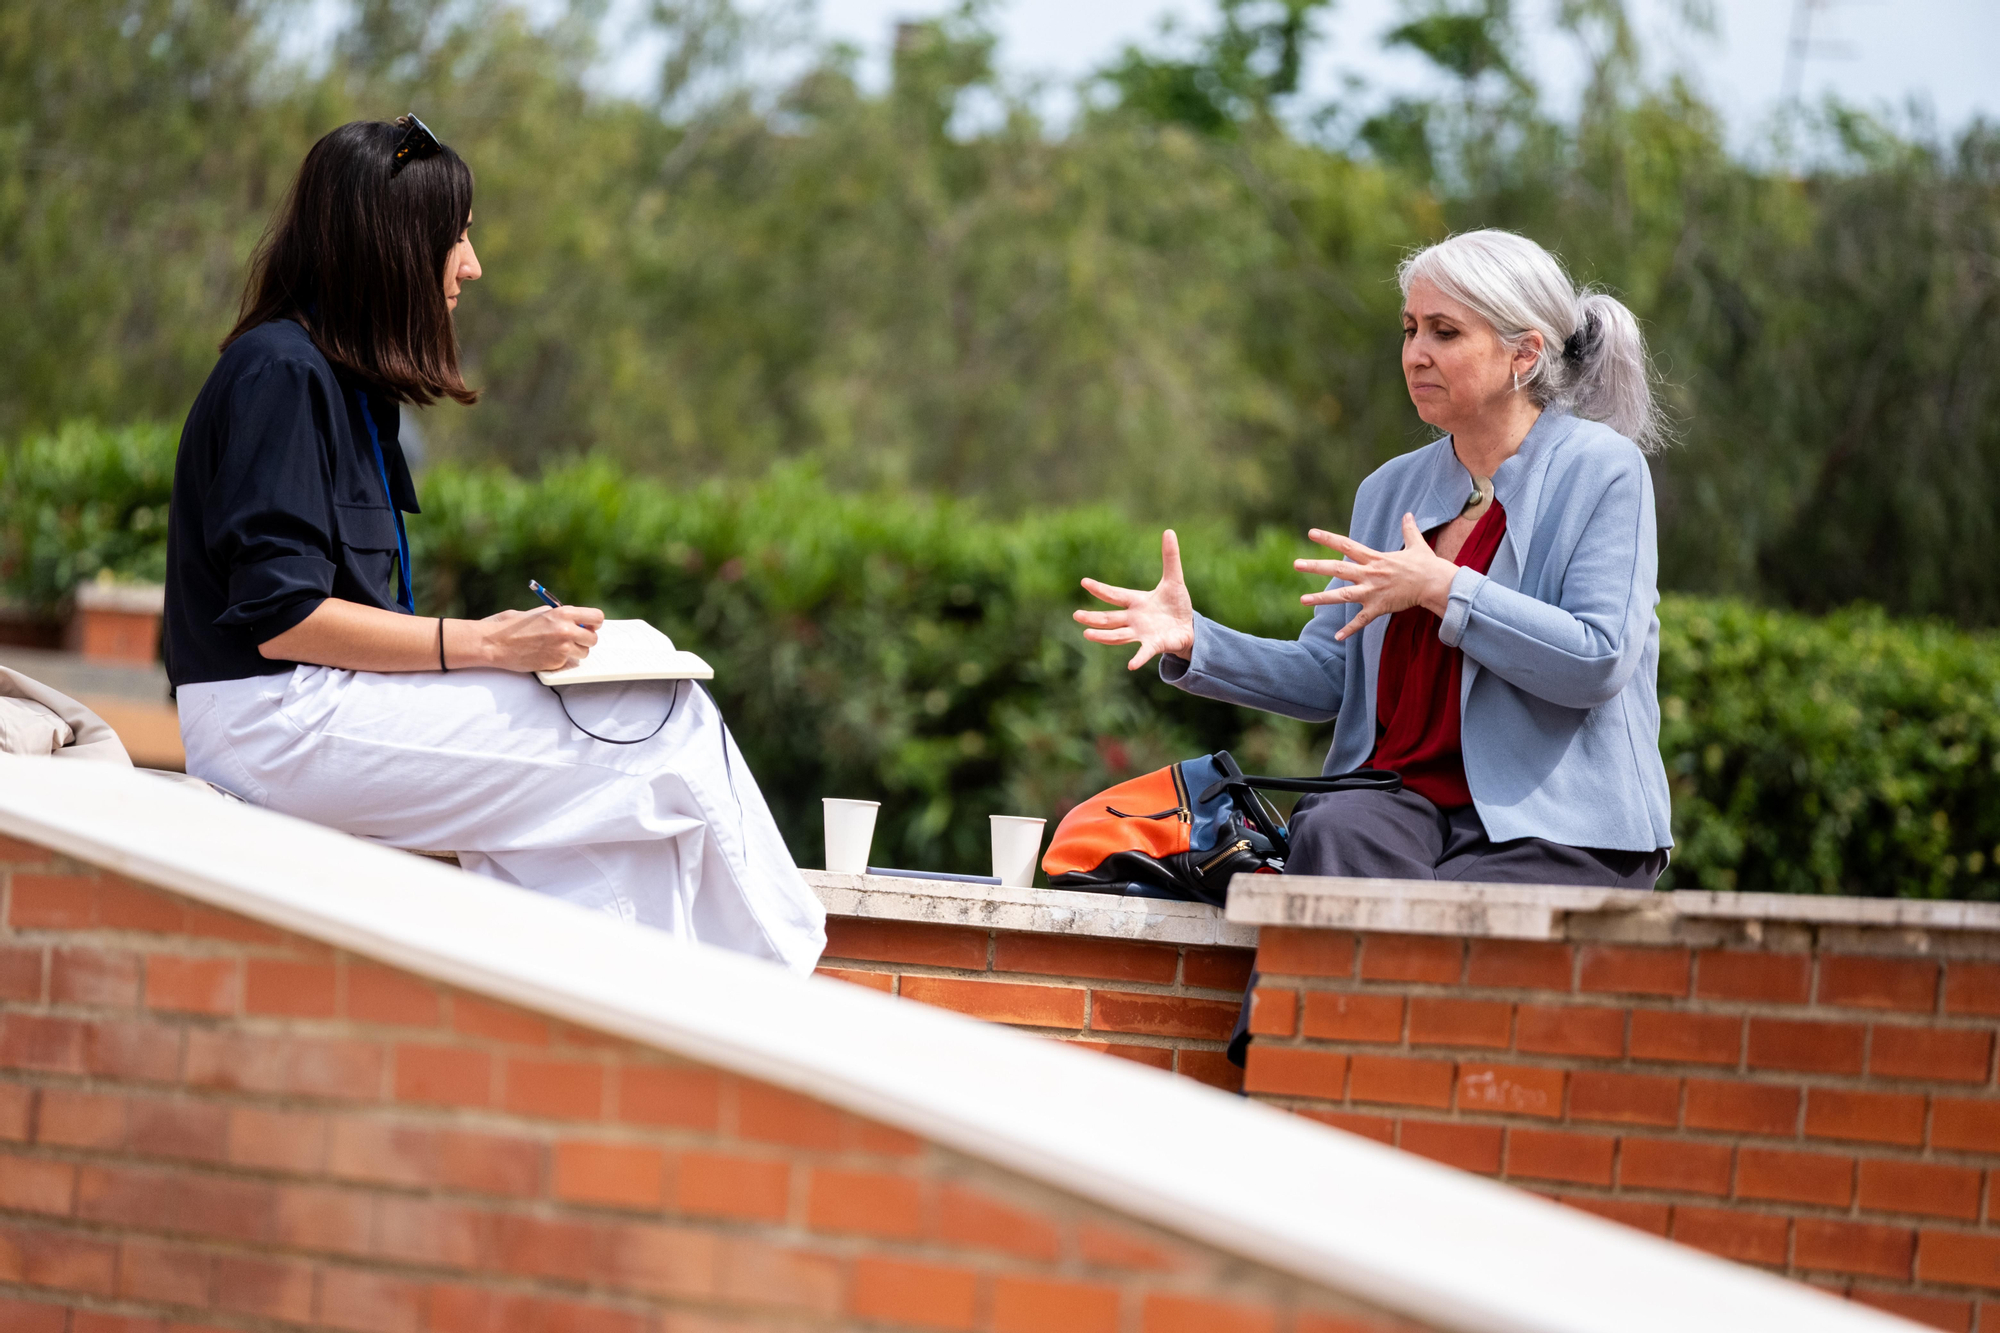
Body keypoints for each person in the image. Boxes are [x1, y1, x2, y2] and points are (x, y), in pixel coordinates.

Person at [164, 116, 825, 972]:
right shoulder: (281, 373)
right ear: (393, 246)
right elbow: (285, 619)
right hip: (273, 722)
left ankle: (640, 1016)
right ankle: (796, 996)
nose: (471, 264)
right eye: (457, 237)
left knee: (618, 821)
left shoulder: (341, 380)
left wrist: (506, 649)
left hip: (311, 710)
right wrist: (487, 644)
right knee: (658, 719)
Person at [1075, 230, 1673, 1056]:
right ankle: (1292, 1070)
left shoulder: (1604, 471)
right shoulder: (1390, 489)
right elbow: (1332, 672)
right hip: (1405, 807)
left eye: (1445, 332)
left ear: (1525, 353)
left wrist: (1443, 588)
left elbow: (1598, 657)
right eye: (1410, 328)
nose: (1416, 353)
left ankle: (1369, 1084)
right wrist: (1195, 639)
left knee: (1438, 931)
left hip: (1556, 826)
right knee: (1335, 826)